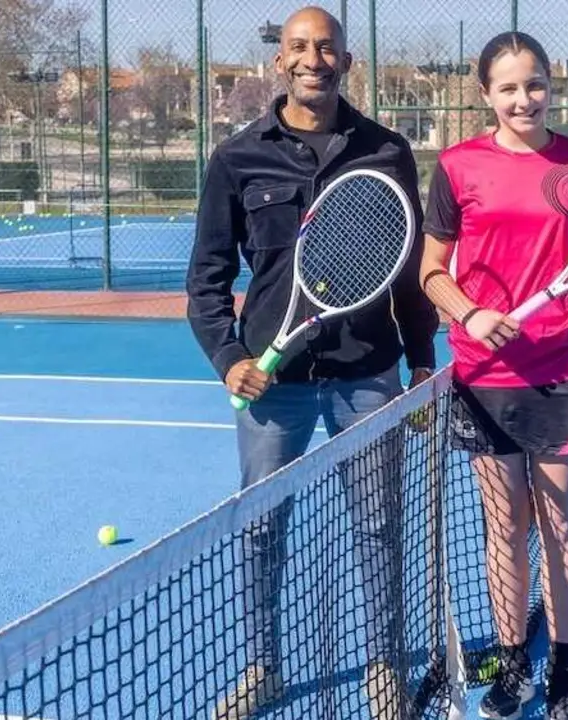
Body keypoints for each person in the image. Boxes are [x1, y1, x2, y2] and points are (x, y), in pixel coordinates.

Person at [185, 6, 438, 719]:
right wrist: (229, 358)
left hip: (369, 374)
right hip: (274, 384)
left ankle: (384, 666)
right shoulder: (236, 158)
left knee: (380, 526)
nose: (312, 59)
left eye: (326, 48)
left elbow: (408, 272)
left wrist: (422, 365)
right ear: (280, 61)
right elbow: (205, 279)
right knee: (261, 528)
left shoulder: (387, 152)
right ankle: (262, 667)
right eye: (299, 47)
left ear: (346, 62)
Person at [417, 30, 568, 720]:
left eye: (535, 84)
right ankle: (513, 663)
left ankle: (563, 667)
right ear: (486, 95)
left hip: (561, 367)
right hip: (484, 374)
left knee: (559, 526)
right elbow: (431, 270)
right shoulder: (457, 167)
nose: (524, 98)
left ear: (551, 88)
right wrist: (469, 314)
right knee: (503, 528)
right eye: (508, 87)